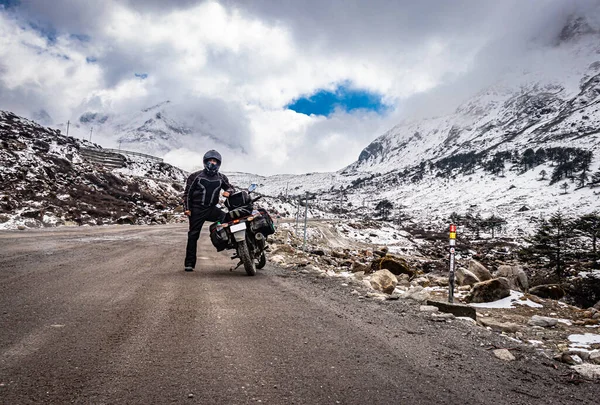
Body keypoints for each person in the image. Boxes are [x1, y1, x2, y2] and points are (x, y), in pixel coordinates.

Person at [182, 150, 235, 271]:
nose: (212, 163)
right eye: (210, 161)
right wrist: (187, 209)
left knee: (226, 218)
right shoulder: (195, 176)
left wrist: (229, 192)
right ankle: (189, 263)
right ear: (205, 162)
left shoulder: (221, 177)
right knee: (193, 235)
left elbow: (230, 187)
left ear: (218, 164)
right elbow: (187, 194)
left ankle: (226, 243)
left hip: (211, 208)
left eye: (215, 161)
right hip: (196, 209)